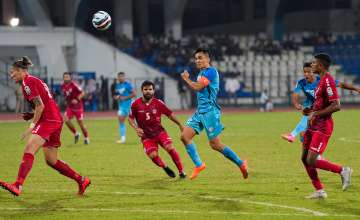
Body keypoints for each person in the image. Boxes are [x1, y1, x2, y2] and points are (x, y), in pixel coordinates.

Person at [0, 57, 90, 197]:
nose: (11, 75)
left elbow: (40, 106)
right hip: (55, 119)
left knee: (30, 148)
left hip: (49, 120)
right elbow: (43, 103)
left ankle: (17, 185)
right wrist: (32, 114)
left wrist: (32, 125)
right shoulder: (32, 81)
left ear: (22, 71)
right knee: (51, 160)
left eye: (13, 72)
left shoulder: (28, 82)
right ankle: (81, 180)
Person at [180, 48, 248, 180]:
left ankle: (241, 163)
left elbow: (198, 87)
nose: (197, 60)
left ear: (208, 58)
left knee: (215, 144)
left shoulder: (211, 72)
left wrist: (187, 80)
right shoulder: (201, 73)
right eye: (196, 58)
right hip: (200, 112)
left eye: (200, 58)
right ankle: (199, 165)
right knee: (184, 136)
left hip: (210, 111)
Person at [301, 53, 352, 199]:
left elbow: (336, 105)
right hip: (313, 124)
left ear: (321, 66)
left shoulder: (328, 81)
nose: (312, 65)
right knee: (304, 158)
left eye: (314, 63)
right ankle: (319, 191)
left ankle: (343, 170)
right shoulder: (321, 80)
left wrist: (316, 114)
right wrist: (310, 110)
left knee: (311, 160)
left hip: (323, 127)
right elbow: (320, 104)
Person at [281, 62, 360, 143]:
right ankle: (316, 154)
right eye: (305, 72)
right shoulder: (301, 82)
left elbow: (341, 84)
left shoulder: (323, 80)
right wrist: (296, 104)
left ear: (314, 72)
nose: (306, 74)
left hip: (322, 106)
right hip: (310, 104)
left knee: (310, 125)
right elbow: (295, 94)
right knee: (304, 134)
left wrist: (356, 88)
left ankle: (292, 135)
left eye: (309, 72)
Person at [128, 80, 186, 178]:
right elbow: (130, 118)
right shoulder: (135, 104)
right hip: (146, 136)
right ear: (142, 90)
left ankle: (181, 171)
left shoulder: (158, 103)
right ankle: (165, 166)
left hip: (160, 132)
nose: (148, 91)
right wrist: (136, 128)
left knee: (170, 148)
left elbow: (170, 114)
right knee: (153, 155)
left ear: (153, 91)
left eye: (150, 89)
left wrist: (179, 124)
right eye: (145, 89)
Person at [61, 72, 90, 145]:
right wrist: (66, 100)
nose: (66, 78)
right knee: (65, 119)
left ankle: (86, 138)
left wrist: (77, 99)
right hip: (70, 107)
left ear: (70, 78)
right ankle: (76, 133)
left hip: (78, 107)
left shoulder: (74, 85)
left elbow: (83, 93)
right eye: (65, 77)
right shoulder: (62, 86)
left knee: (81, 124)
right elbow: (66, 95)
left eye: (67, 77)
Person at [114, 72, 136, 144]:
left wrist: (125, 98)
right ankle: (123, 139)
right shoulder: (117, 86)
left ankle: (145, 135)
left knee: (136, 122)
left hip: (129, 106)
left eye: (122, 77)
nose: (120, 78)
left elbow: (134, 94)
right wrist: (116, 97)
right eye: (119, 77)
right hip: (122, 106)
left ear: (124, 77)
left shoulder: (128, 85)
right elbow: (117, 95)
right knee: (121, 121)